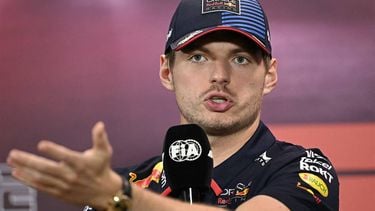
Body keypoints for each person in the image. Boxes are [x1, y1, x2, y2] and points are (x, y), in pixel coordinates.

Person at [6, 0, 339, 210]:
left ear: (269, 75)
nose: (219, 76)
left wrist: (121, 200)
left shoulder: (304, 169)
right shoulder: (128, 182)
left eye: (240, 59)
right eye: (198, 57)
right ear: (167, 71)